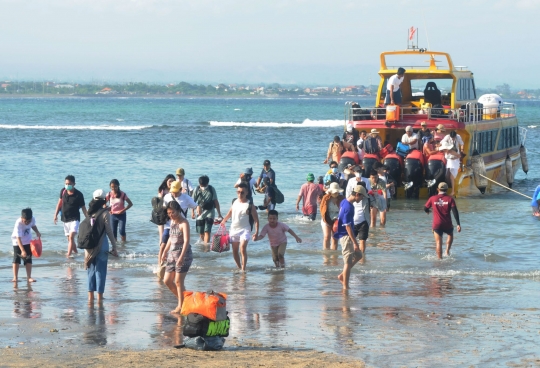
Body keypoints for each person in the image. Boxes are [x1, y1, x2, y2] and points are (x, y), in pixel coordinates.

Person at [85, 190, 118, 304]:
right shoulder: (105, 213)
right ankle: (99, 298)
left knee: (91, 271)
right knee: (101, 271)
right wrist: (114, 246)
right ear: (104, 200)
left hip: (89, 247)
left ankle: (90, 297)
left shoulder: (89, 213)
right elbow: (109, 231)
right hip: (102, 245)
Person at [161, 200, 193, 313]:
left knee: (179, 281)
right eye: (169, 213)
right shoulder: (172, 222)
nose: (171, 215)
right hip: (172, 254)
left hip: (184, 255)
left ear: (178, 210)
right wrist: (165, 251)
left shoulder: (184, 223)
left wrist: (181, 257)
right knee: (167, 280)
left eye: (173, 212)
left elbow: (186, 241)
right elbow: (171, 237)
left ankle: (180, 306)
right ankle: (184, 300)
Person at [221, 183, 259, 271]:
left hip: (245, 229)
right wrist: (224, 220)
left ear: (247, 193)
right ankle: (239, 267)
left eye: (242, 192)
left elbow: (256, 220)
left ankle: (243, 269)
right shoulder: (234, 201)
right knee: (234, 251)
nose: (240, 194)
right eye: (238, 192)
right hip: (234, 229)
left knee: (242, 248)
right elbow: (230, 212)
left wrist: (256, 232)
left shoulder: (250, 205)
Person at [334, 185, 364, 290]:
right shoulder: (348, 207)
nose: (362, 199)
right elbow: (348, 227)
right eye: (361, 197)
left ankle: (342, 275)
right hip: (346, 236)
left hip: (346, 234)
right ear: (357, 194)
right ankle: (345, 287)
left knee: (359, 255)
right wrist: (355, 243)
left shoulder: (345, 202)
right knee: (347, 261)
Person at [160, 181, 198, 265]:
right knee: (163, 244)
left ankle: (180, 259)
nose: (174, 194)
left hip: (180, 225)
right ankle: (161, 263)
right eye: (172, 192)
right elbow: (163, 210)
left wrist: (198, 209)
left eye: (176, 192)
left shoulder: (186, 198)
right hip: (169, 225)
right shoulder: (166, 197)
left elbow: (195, 206)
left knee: (179, 244)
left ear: (180, 190)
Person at [424, 182, 462, 259]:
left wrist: (428, 211)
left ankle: (439, 259)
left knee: (438, 242)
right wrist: (458, 224)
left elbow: (425, 208)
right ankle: (447, 251)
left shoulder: (432, 198)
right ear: (447, 190)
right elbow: (455, 212)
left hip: (437, 224)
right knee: (450, 234)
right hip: (447, 223)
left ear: (438, 189)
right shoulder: (450, 199)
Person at [53, 175, 88, 257]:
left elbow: (83, 208)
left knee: (71, 237)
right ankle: (76, 253)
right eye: (66, 183)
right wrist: (55, 215)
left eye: (69, 184)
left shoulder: (79, 195)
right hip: (65, 218)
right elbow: (59, 203)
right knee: (69, 239)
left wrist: (88, 218)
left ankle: (68, 255)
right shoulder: (63, 191)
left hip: (75, 219)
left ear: (74, 184)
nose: (67, 185)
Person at [11, 208, 41, 283]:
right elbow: (18, 238)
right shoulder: (18, 223)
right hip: (17, 242)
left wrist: (37, 232)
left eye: (29, 221)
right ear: (22, 218)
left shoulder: (32, 219)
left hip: (28, 240)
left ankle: (29, 277)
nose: (27, 223)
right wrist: (22, 250)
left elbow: (33, 225)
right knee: (16, 259)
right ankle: (15, 277)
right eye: (25, 221)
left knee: (28, 258)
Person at [192, 175, 223, 244]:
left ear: (207, 183)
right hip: (200, 212)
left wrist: (219, 214)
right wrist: (192, 212)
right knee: (201, 232)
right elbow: (192, 201)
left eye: (204, 185)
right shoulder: (197, 189)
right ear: (199, 184)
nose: (203, 187)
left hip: (210, 212)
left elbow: (216, 201)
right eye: (201, 185)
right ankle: (204, 244)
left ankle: (206, 247)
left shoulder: (211, 189)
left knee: (207, 231)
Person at [320, 182, 344, 250]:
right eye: (334, 192)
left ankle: (334, 257)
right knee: (327, 237)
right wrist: (327, 220)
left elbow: (344, 209)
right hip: (326, 218)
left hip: (337, 219)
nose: (336, 194)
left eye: (337, 192)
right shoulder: (325, 198)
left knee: (335, 238)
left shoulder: (342, 198)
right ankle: (326, 256)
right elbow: (322, 210)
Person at [157, 174, 175, 248]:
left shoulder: (176, 190)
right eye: (169, 181)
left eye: (173, 181)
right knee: (163, 235)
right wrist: (161, 197)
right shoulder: (162, 190)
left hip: (172, 212)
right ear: (166, 181)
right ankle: (161, 241)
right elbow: (159, 204)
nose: (171, 183)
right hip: (163, 213)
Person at [352, 185, 370, 255]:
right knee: (352, 241)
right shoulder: (351, 198)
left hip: (363, 222)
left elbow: (376, 204)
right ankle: (355, 256)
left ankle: (361, 258)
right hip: (352, 222)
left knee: (362, 241)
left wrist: (376, 195)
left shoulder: (367, 198)